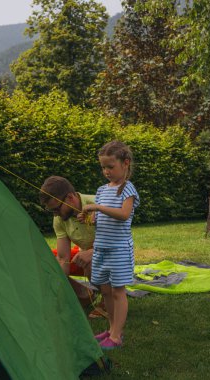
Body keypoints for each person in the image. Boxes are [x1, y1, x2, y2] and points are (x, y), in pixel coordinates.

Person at [79, 140, 140, 350]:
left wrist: (97, 207)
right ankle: (111, 329)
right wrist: (89, 217)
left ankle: (116, 336)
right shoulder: (102, 189)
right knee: (105, 291)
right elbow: (100, 217)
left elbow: (123, 215)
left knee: (117, 291)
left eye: (110, 167)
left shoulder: (127, 189)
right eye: (103, 167)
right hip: (102, 248)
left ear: (125, 163)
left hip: (119, 250)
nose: (106, 171)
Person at [39, 176, 103, 311]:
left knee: (91, 262)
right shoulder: (60, 219)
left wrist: (93, 252)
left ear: (70, 197)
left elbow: (121, 241)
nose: (55, 215)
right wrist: (57, 288)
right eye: (51, 211)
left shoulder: (99, 203)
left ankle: (108, 300)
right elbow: (63, 259)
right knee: (44, 261)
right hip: (85, 254)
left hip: (115, 255)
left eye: (56, 209)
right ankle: (85, 295)